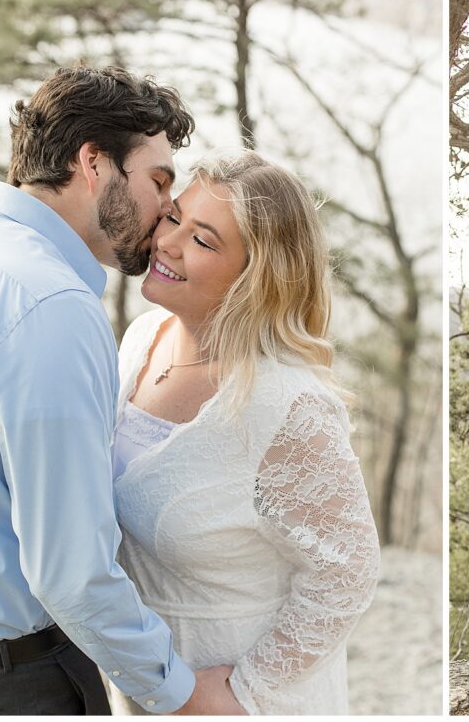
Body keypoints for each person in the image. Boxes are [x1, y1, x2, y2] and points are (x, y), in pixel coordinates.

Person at [0, 65, 238, 715]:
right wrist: (185, 694)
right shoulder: (49, 303)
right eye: (158, 181)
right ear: (93, 162)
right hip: (17, 684)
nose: (166, 210)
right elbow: (71, 570)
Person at [107, 150, 380, 715]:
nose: (167, 242)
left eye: (203, 241)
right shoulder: (141, 340)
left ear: (255, 277)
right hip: (146, 683)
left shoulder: (285, 404)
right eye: (174, 216)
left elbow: (348, 569)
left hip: (234, 696)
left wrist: (245, 690)